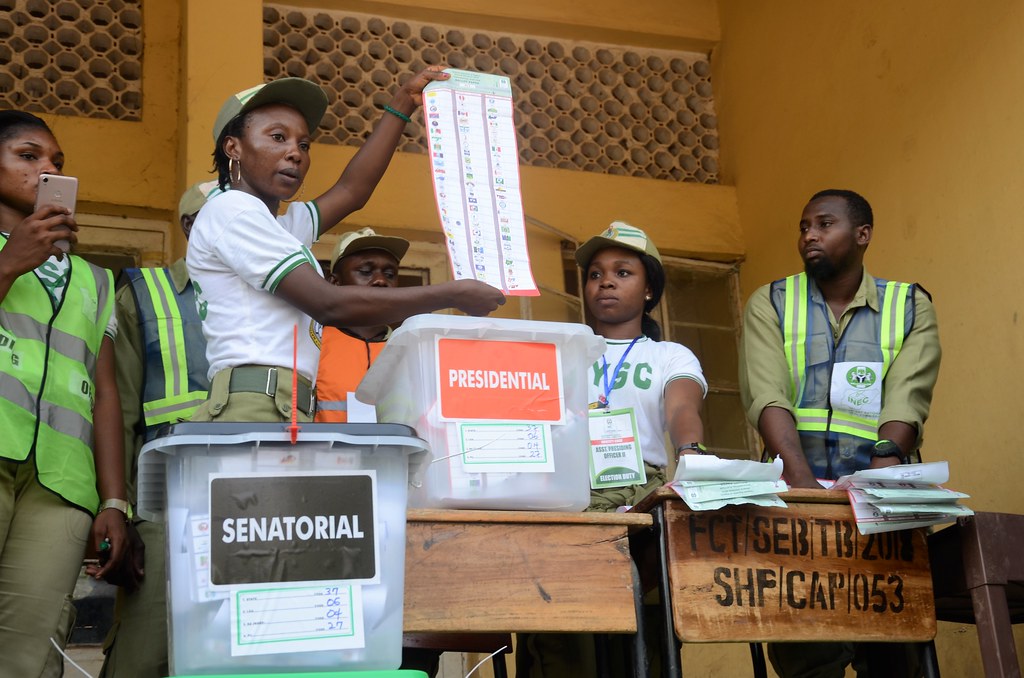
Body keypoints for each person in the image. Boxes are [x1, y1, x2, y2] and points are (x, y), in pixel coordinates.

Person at [187, 68, 505, 423]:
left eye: (303, 144)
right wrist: (451, 295)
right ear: (234, 147)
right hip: (256, 404)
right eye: (278, 137)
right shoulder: (233, 211)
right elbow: (329, 303)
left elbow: (352, 191)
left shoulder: (274, 226)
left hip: (280, 401)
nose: (295, 153)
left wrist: (402, 104)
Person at [738, 189, 940, 677]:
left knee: (896, 655)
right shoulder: (771, 302)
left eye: (824, 224)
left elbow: (906, 399)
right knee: (806, 655)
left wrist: (884, 470)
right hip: (797, 505)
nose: (809, 234)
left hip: (881, 505)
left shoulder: (909, 305)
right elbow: (767, 396)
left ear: (862, 235)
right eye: (804, 225)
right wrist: (804, 489)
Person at [517, 222, 707, 678]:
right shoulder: (558, 349)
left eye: (623, 272)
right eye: (596, 273)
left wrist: (692, 452)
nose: (605, 281)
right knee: (566, 625)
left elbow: (682, 407)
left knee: (646, 622)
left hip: (643, 493)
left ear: (648, 290)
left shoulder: (669, 355)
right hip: (568, 492)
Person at [0, 110, 129, 677]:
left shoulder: (95, 279)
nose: (46, 169)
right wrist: (10, 262)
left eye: (55, 162)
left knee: (26, 650)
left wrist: (113, 501)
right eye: (28, 157)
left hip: (59, 484)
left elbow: (104, 393)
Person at [100, 180, 218, 678]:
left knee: (235, 647)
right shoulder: (144, 295)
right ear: (190, 228)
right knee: (146, 651)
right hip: (166, 503)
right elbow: (119, 410)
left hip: (254, 500)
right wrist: (120, 511)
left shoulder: (273, 294)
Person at [314, 226, 409, 423]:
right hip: (324, 453)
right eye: (366, 271)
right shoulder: (313, 343)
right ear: (334, 283)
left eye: (390, 274)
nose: (381, 281)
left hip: (396, 454)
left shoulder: (408, 349)